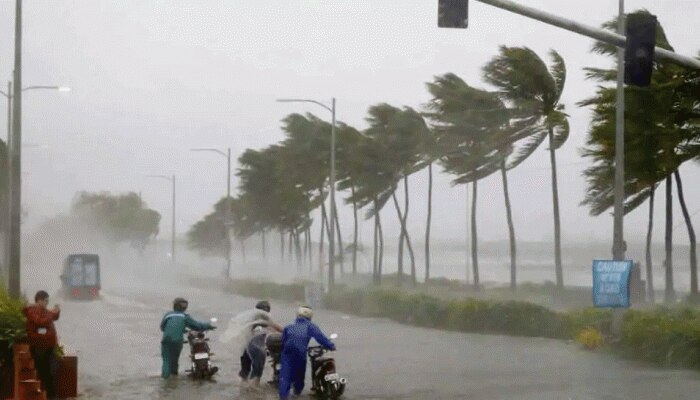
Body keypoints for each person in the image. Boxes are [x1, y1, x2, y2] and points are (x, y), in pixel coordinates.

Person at [278, 305, 335, 400]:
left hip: (287, 354)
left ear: (298, 315)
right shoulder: (311, 326)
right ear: (310, 316)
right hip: (300, 353)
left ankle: (283, 397)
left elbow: (283, 342)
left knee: (285, 377)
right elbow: (321, 338)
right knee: (299, 377)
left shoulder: (288, 327)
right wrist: (331, 346)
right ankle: (297, 395)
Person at [160, 297, 215, 379]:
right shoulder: (184, 316)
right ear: (185, 307)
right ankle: (174, 377)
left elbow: (162, 327)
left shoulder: (168, 315)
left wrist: (181, 329)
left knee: (166, 360)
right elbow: (197, 326)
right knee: (175, 360)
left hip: (166, 340)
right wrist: (208, 326)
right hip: (177, 341)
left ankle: (165, 379)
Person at [23, 290, 60, 399]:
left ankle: (49, 395)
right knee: (46, 374)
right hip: (40, 347)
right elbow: (41, 321)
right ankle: (48, 396)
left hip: (47, 347)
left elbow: (52, 317)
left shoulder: (41, 311)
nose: (46, 304)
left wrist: (55, 312)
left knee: (48, 374)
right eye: (45, 301)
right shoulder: (33, 311)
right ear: (39, 300)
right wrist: (54, 312)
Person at [238, 300, 283, 387]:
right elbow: (277, 328)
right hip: (256, 349)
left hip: (245, 348)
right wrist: (288, 332)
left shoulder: (250, 319)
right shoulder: (264, 318)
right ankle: (253, 393)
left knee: (244, 372)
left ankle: (242, 391)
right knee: (257, 372)